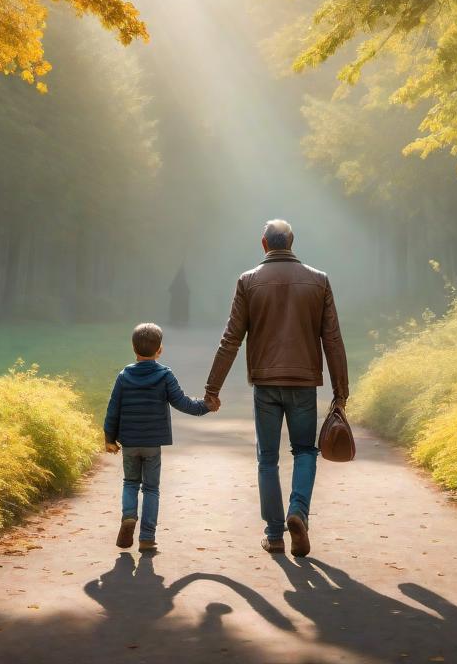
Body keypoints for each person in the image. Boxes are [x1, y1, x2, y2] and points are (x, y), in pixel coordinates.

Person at [204, 219, 348, 557]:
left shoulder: (248, 282)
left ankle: (274, 534)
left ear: (264, 244)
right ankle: (298, 511)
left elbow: (231, 340)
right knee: (304, 451)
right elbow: (333, 340)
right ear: (292, 242)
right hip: (303, 384)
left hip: (266, 385)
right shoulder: (319, 281)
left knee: (267, 459)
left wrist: (213, 388)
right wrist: (340, 392)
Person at [104, 322, 213, 552]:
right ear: (159, 350)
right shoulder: (164, 375)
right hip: (152, 443)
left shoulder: (124, 376)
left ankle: (128, 517)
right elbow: (182, 402)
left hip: (130, 443)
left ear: (134, 349)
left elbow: (113, 408)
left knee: (130, 483)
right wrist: (205, 406)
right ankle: (146, 537)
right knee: (151, 489)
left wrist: (109, 438)